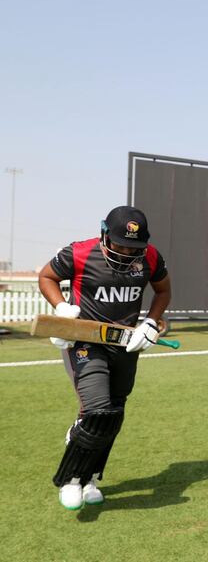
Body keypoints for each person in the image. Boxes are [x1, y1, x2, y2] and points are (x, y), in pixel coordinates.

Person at [38, 205, 171, 510]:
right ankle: (71, 480)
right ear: (104, 234)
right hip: (85, 341)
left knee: (115, 413)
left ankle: (91, 478)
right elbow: (46, 277)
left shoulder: (151, 256)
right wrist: (61, 307)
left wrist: (150, 322)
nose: (126, 252)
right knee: (97, 410)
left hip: (126, 344)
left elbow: (163, 292)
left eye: (133, 247)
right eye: (120, 244)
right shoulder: (79, 253)